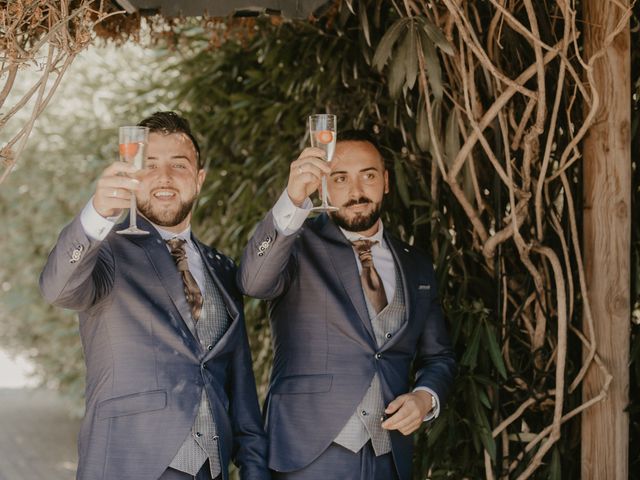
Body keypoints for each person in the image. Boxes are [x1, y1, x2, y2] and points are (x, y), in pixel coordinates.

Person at [40, 111, 269, 480]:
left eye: (179, 165)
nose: (164, 178)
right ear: (132, 175)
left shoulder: (222, 268)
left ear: (199, 179)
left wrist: (255, 470)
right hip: (127, 465)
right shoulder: (106, 252)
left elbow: (240, 390)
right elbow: (58, 287)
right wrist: (97, 214)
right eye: (149, 165)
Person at [238, 130, 457, 480]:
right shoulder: (295, 246)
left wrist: (424, 398)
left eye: (368, 176)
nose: (356, 192)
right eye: (340, 178)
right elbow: (252, 281)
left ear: (386, 181)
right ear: (322, 185)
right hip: (306, 455)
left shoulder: (415, 263)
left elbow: (439, 356)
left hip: (389, 454)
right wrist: (293, 198)